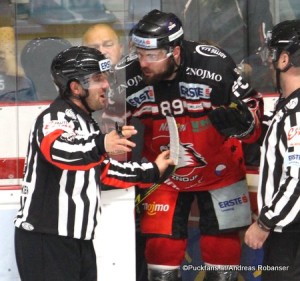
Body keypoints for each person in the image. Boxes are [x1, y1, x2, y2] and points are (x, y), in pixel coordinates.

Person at [118, 9, 264, 281]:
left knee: (222, 250)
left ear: (174, 52)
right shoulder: (128, 73)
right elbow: (109, 125)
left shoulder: (215, 64)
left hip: (220, 168)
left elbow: (254, 110)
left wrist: (245, 126)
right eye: (139, 54)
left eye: (151, 56)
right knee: (161, 248)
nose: (142, 63)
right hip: (163, 171)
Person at [13, 45, 174, 281]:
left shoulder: (86, 123)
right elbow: (60, 151)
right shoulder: (54, 117)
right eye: (98, 79)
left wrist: (151, 170)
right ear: (76, 87)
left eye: (105, 77)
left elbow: (102, 171)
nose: (107, 85)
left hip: (78, 240)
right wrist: (102, 144)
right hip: (46, 239)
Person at [244, 20, 300, 281]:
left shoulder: (296, 114)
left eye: (272, 54)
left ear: (285, 59)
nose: (268, 61)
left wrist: (265, 222)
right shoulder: (287, 107)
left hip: (290, 236)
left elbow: (297, 178)